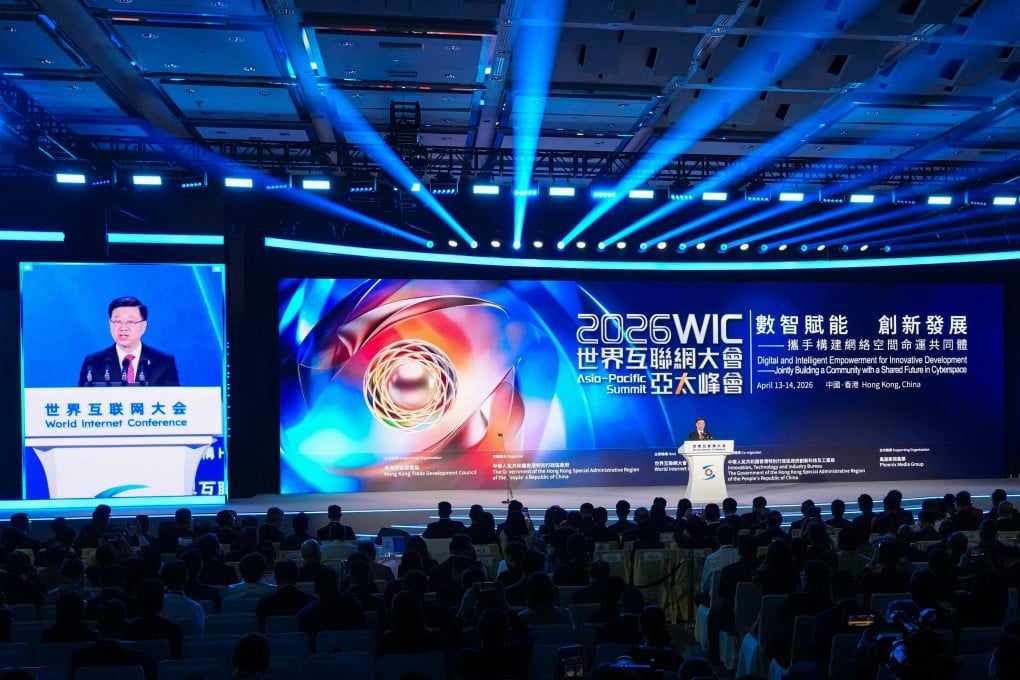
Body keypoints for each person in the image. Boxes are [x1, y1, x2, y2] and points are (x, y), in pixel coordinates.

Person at [78, 296, 179, 386]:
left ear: (143, 326)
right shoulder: (93, 363)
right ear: (110, 324)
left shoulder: (163, 363)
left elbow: (172, 401)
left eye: (130, 322)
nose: (123, 328)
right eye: (117, 322)